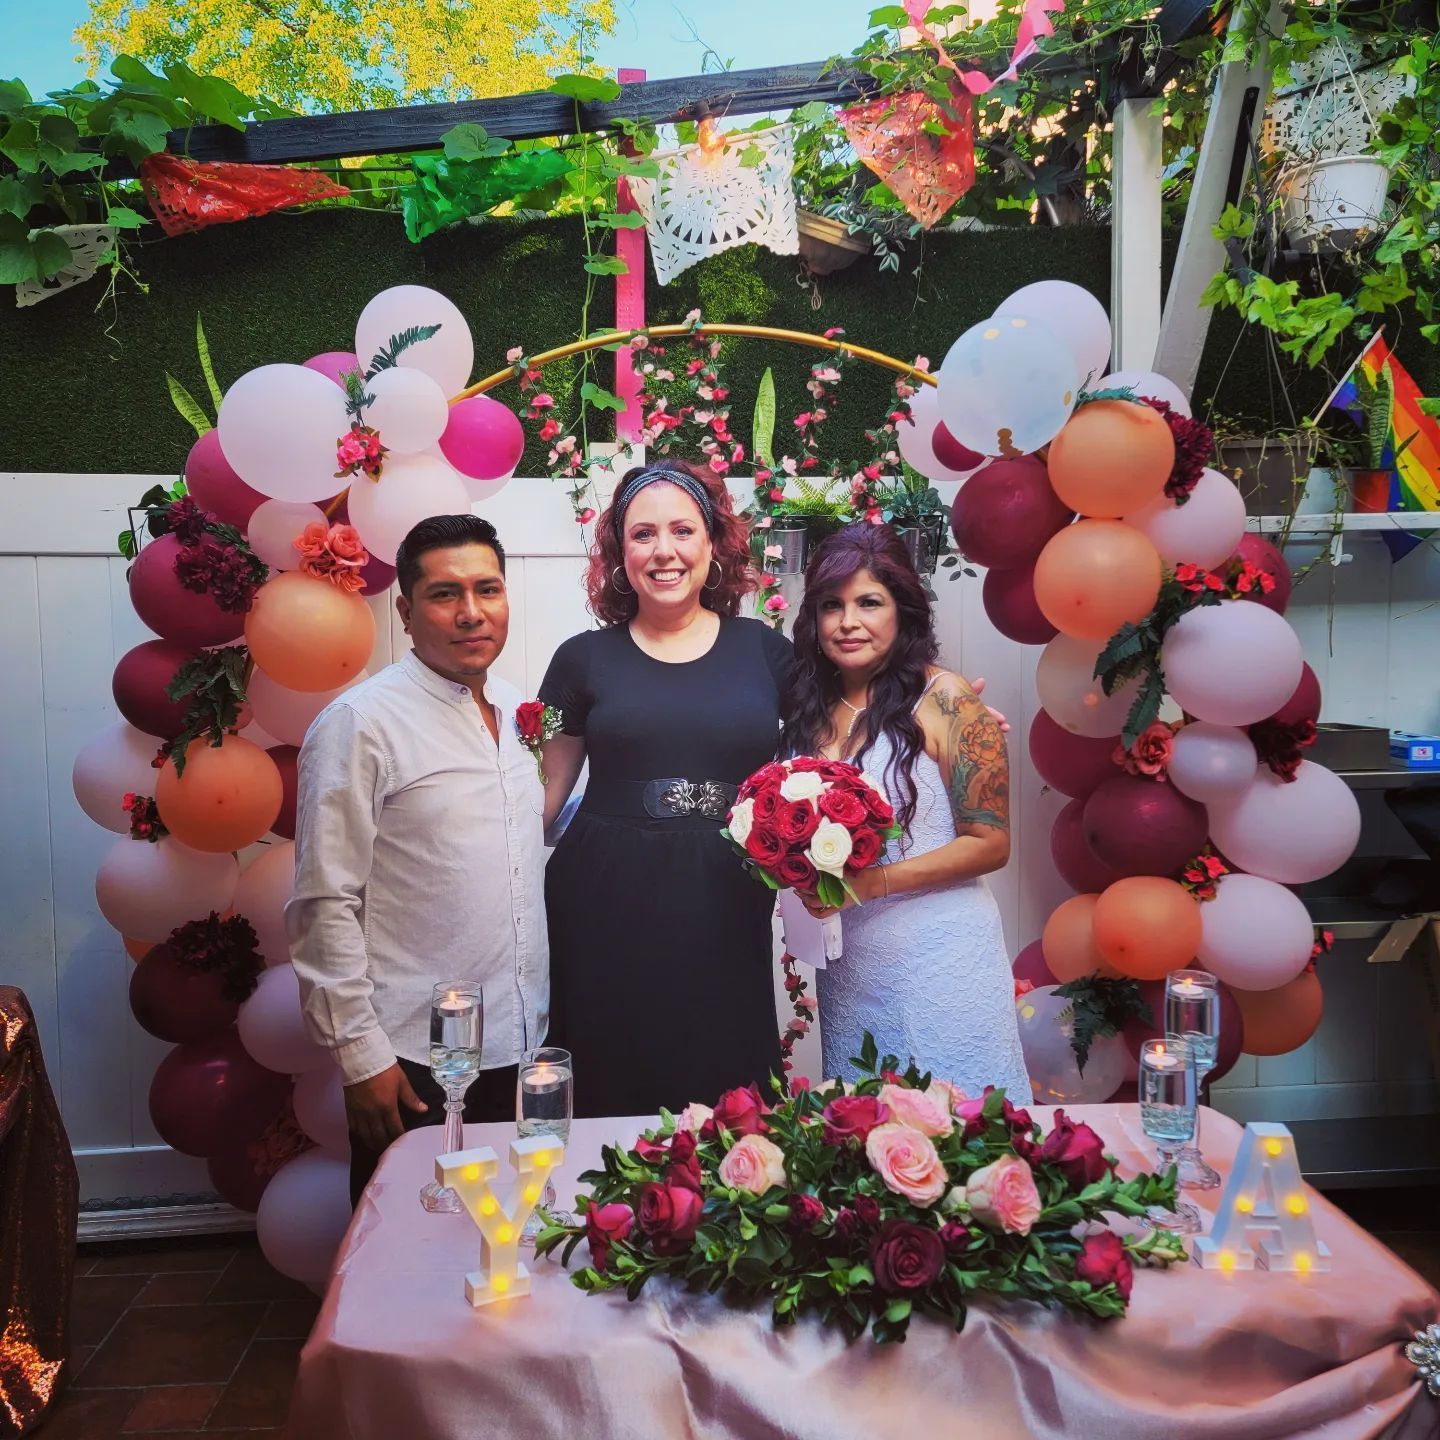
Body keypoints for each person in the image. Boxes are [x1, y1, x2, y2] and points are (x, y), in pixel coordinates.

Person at [288, 514, 548, 1205]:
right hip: (415, 1059)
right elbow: (322, 901)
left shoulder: (523, 714)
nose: (471, 613)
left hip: (523, 1042)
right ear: (405, 611)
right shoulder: (361, 723)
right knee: (407, 1263)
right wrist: (361, 1058)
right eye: (444, 594)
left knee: (509, 1248)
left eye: (487, 590)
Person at [537, 460, 792, 1118]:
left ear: (714, 543)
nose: (664, 551)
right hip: (602, 897)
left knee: (729, 1091)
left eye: (682, 530)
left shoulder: (767, 652)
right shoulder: (580, 660)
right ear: (621, 553)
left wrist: (939, 698)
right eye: (643, 534)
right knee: (610, 1083)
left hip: (727, 893)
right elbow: (534, 797)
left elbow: (846, 730)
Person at [784, 521, 1032, 1102]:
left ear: (904, 611)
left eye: (870, 602)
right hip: (850, 963)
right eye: (831, 605)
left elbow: (990, 843)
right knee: (865, 1145)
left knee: (961, 1139)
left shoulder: (946, 698)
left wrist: (873, 883)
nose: (848, 622)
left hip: (943, 956)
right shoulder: (806, 709)